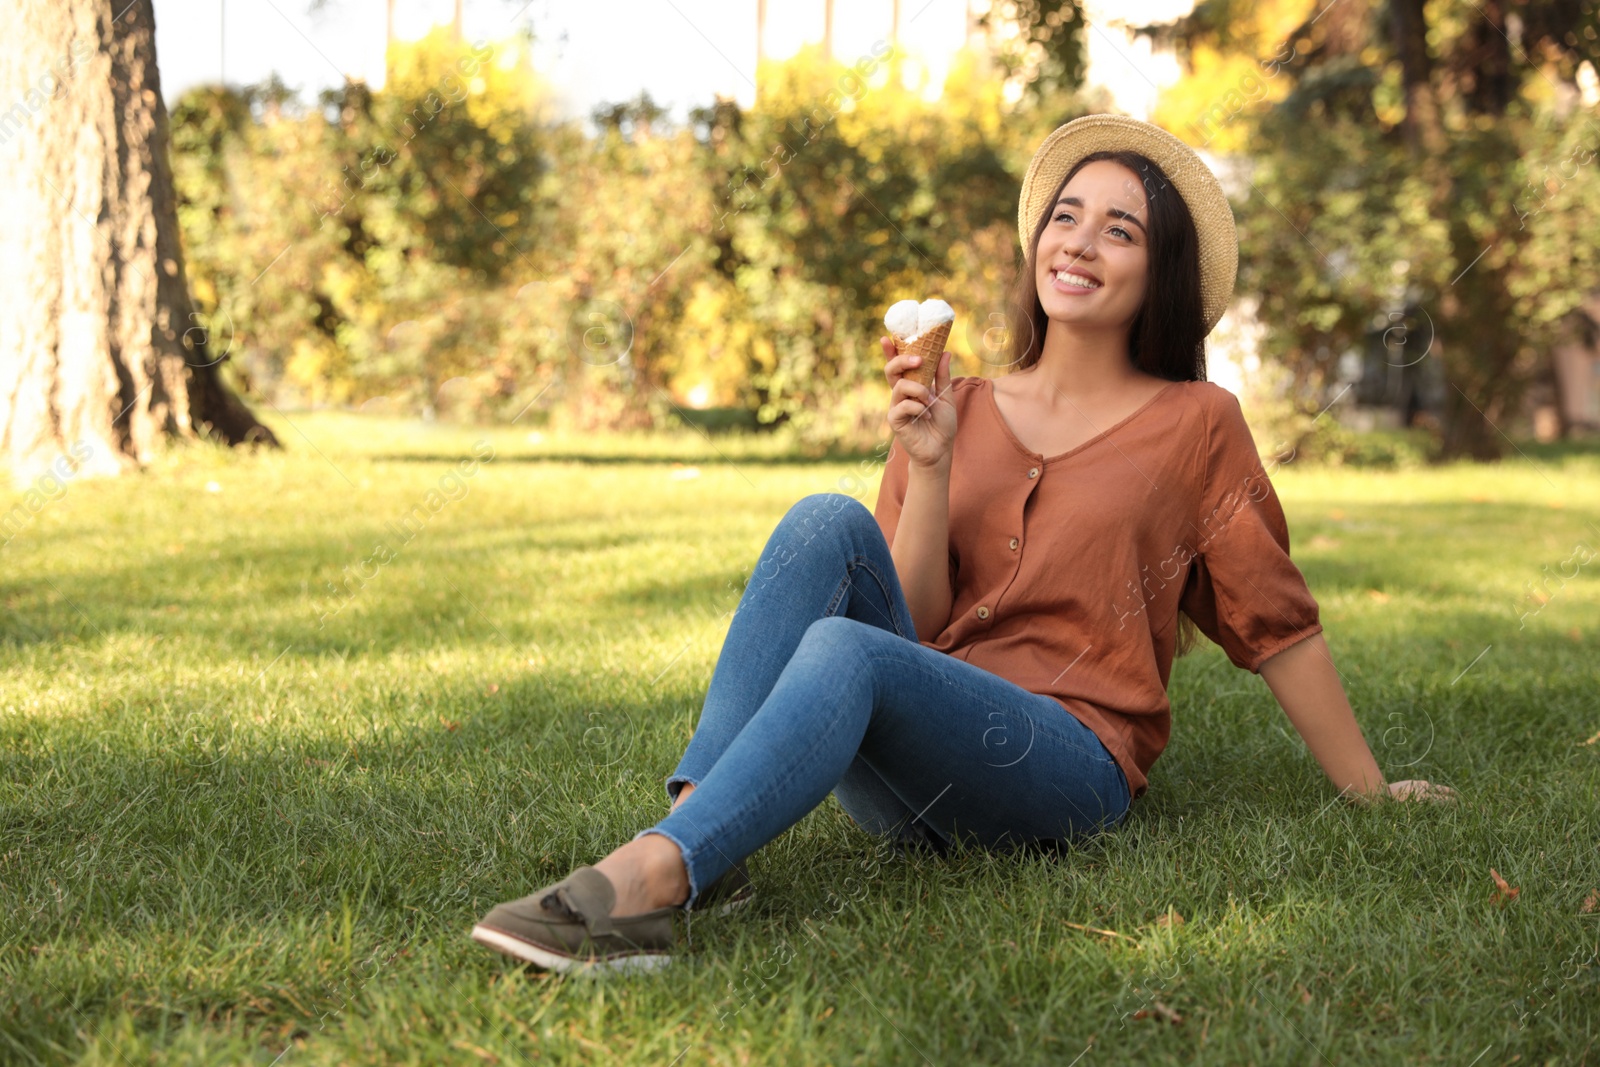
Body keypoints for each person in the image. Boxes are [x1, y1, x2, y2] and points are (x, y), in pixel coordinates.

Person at [469, 114, 1456, 975]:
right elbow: (924, 620)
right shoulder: (961, 401)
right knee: (826, 520)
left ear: (1160, 271)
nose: (1079, 242)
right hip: (915, 752)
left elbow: (1272, 621)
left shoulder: (1196, 422)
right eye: (1065, 215)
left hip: (1064, 760)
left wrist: (1368, 789)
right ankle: (704, 834)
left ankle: (654, 875)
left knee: (846, 649)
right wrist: (931, 461)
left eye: (1121, 229)